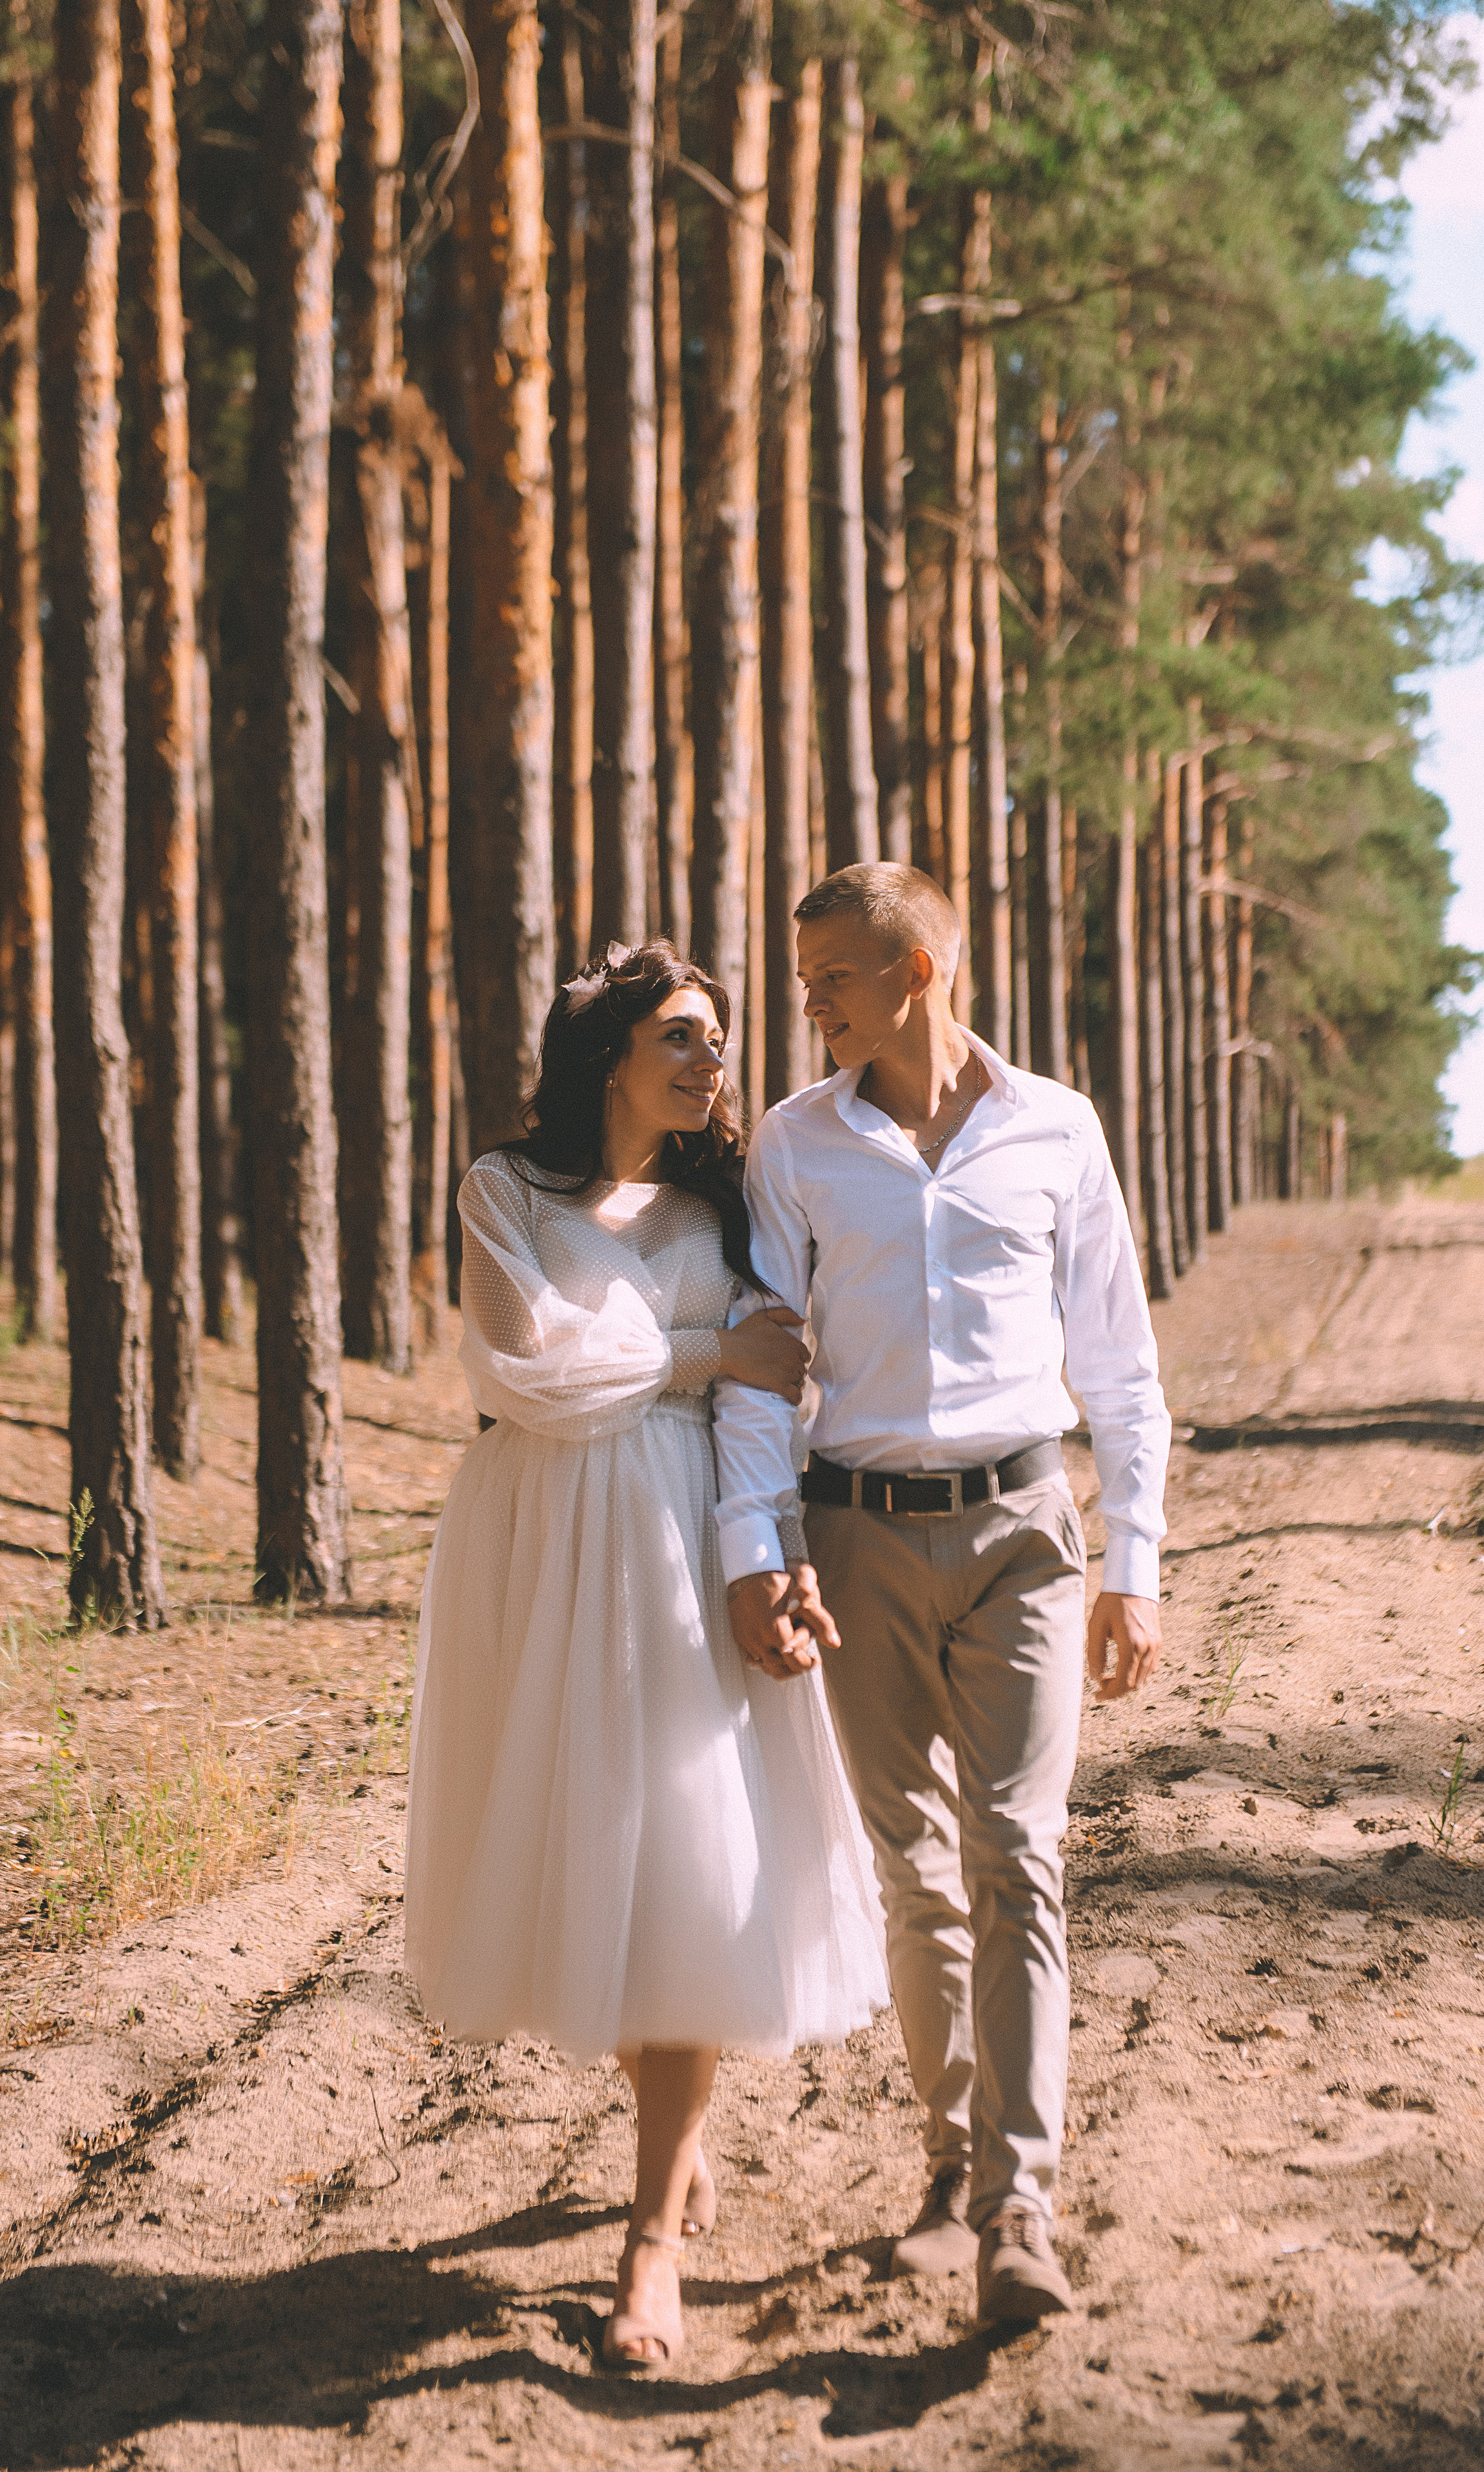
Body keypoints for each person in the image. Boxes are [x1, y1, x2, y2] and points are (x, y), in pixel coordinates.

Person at [405, 940, 886, 2374]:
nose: (709, 1060)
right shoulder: (504, 1192)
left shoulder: (727, 1202)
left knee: (690, 1859)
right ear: (606, 1052)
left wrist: (766, 1525)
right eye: (680, 1034)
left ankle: (649, 2246)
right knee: (577, 1852)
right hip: (536, 1545)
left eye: (721, 1039)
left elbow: (781, 1368)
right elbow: (527, 1378)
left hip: (683, 1543)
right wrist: (699, 1360)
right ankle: (673, 2137)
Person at [715, 863, 1169, 2327]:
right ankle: (952, 2159)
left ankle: (1016, 2208)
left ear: (914, 971)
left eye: (828, 976)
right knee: (916, 1877)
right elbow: (761, 1370)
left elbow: (1117, 1363)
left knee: (1013, 1857)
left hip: (1025, 1532)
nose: (806, 1001)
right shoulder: (792, 1146)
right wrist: (760, 1547)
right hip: (855, 1539)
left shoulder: (1056, 1130)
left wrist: (1134, 1565)